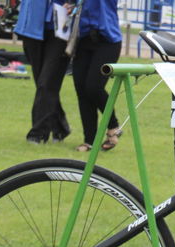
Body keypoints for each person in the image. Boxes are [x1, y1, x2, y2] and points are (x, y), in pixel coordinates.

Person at [14, 0, 72, 144]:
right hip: (31, 26)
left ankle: (38, 133)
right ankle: (60, 127)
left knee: (47, 83)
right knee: (44, 84)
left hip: (61, 28)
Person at [69, 0, 123, 152]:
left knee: (93, 87)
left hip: (107, 41)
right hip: (83, 40)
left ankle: (113, 126)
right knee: (81, 89)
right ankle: (89, 141)